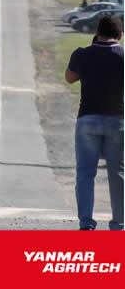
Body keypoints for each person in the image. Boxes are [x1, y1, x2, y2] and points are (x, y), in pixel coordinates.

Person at [65, 16, 124, 231]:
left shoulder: (82, 54)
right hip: (117, 120)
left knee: (85, 174)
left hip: (87, 119)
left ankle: (86, 224)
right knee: (117, 174)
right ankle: (119, 224)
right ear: (120, 35)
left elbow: (70, 77)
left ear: (97, 32)